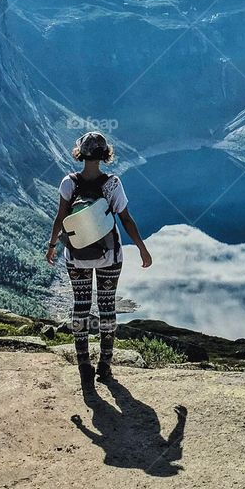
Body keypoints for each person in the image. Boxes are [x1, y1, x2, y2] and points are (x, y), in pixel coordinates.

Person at [46, 131, 153, 380]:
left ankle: (84, 365)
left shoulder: (68, 183)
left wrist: (52, 246)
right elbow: (125, 219)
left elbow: (60, 219)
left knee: (81, 308)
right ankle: (105, 365)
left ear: (80, 154)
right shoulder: (112, 184)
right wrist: (141, 247)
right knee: (107, 308)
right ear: (105, 155)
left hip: (76, 257)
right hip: (110, 257)